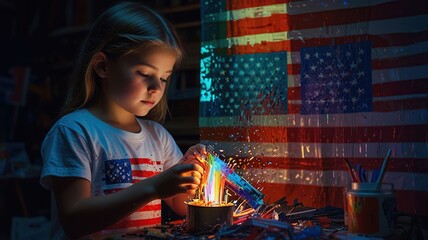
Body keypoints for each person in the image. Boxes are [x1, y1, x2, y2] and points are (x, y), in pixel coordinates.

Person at [40, 2, 206, 239]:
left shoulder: (158, 137)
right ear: (102, 66)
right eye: (145, 74)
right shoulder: (74, 132)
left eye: (164, 78)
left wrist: (190, 174)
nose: (156, 88)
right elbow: (74, 220)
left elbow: (182, 205)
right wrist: (152, 188)